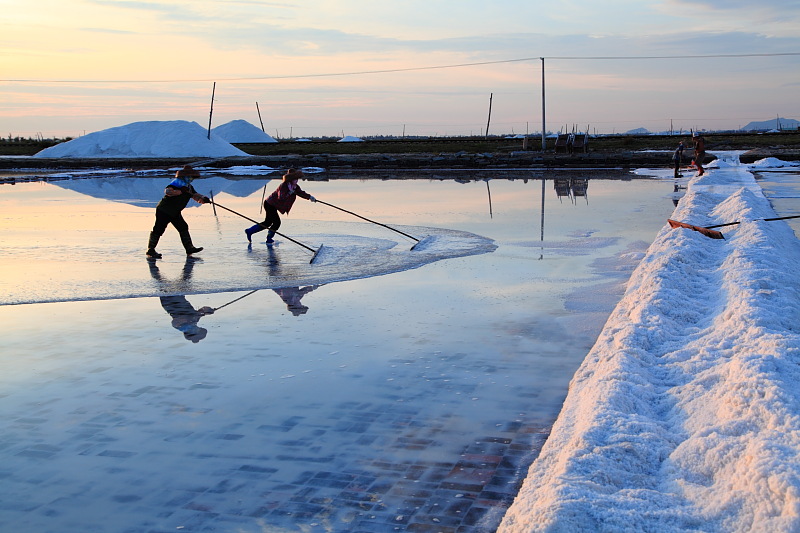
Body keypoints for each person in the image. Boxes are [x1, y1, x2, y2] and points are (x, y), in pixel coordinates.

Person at [146, 165, 210, 259]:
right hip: (164, 210)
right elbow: (168, 191)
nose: (191, 179)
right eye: (190, 177)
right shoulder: (177, 183)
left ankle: (189, 248)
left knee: (183, 226)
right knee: (159, 229)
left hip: (174, 211)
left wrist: (203, 198)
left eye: (192, 177)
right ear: (184, 177)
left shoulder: (188, 186)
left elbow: (194, 195)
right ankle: (150, 250)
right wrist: (179, 191)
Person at [245, 168, 317, 245]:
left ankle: (250, 231)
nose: (297, 181)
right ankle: (269, 239)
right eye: (295, 179)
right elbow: (281, 197)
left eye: (297, 179)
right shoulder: (284, 186)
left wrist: (310, 197)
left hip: (274, 205)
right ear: (291, 179)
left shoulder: (295, 187)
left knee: (267, 222)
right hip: (270, 204)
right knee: (276, 222)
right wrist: (290, 193)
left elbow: (301, 193)